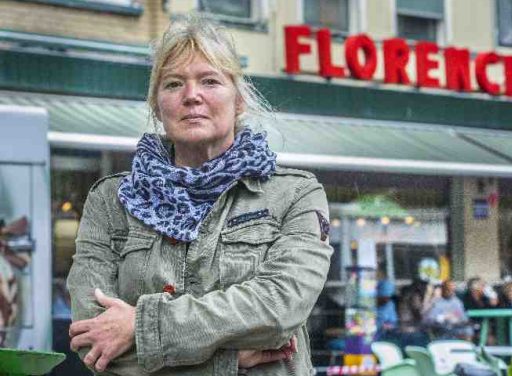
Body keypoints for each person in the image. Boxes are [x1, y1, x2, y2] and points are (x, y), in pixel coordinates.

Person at [66, 13, 333, 375]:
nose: (192, 96)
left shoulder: (295, 194)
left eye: (209, 81)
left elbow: (280, 305)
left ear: (238, 101)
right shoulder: (110, 200)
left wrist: (139, 328)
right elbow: (91, 335)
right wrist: (225, 361)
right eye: (174, 84)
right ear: (156, 106)